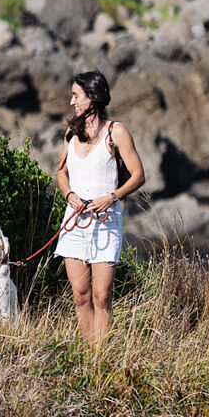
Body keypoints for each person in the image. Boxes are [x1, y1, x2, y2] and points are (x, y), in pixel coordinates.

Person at [54, 70, 145, 344]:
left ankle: (100, 358)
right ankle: (88, 351)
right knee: (80, 294)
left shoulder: (116, 132)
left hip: (107, 222)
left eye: (76, 96)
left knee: (102, 296)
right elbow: (60, 173)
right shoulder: (71, 131)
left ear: (92, 97)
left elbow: (139, 175)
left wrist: (112, 196)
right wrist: (68, 193)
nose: (72, 102)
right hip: (75, 221)